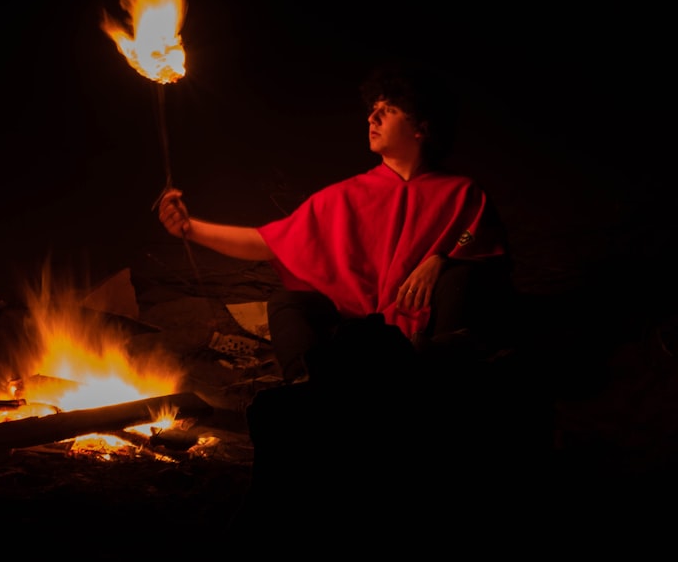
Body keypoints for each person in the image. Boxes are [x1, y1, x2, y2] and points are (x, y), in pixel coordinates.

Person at [158, 59, 544, 538]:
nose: (372, 118)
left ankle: (439, 391)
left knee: (462, 276)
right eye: (371, 109)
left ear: (422, 127)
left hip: (427, 339)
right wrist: (191, 229)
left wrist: (442, 255)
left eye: (388, 110)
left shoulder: (462, 192)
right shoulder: (347, 195)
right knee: (289, 300)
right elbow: (267, 242)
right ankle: (307, 389)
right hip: (364, 339)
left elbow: (474, 237)